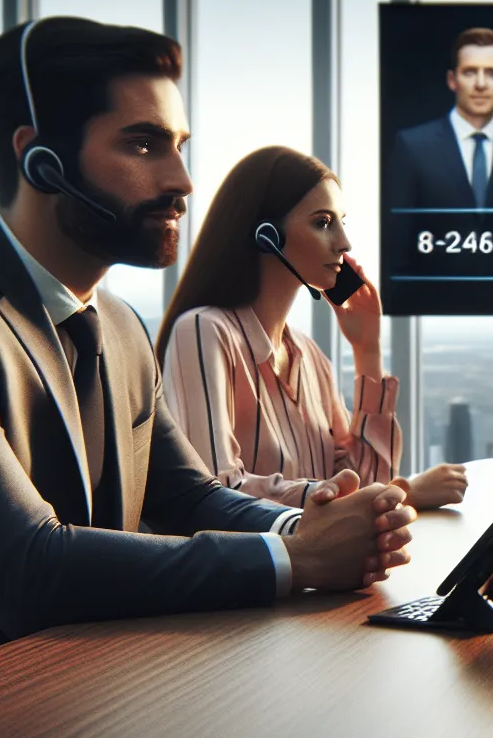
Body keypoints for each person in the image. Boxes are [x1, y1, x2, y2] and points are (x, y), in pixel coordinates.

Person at [0, 17, 414, 714]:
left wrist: (304, 528)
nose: (182, 180)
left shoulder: (119, 327)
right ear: (41, 159)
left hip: (64, 708)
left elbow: (187, 495)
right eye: (144, 144)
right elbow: (24, 564)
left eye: (179, 147)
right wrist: (297, 560)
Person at [157, 146, 468, 510]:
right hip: (256, 567)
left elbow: (366, 482)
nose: (344, 242)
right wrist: (401, 494)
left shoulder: (310, 357)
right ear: (266, 235)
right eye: (323, 223)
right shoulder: (204, 331)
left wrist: (367, 349)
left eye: (341, 222)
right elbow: (217, 491)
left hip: (326, 568)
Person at [388, 27, 493, 225]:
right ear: (452, 80)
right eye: (470, 72)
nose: (481, 84)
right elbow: (398, 235)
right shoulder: (413, 146)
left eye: (491, 73)